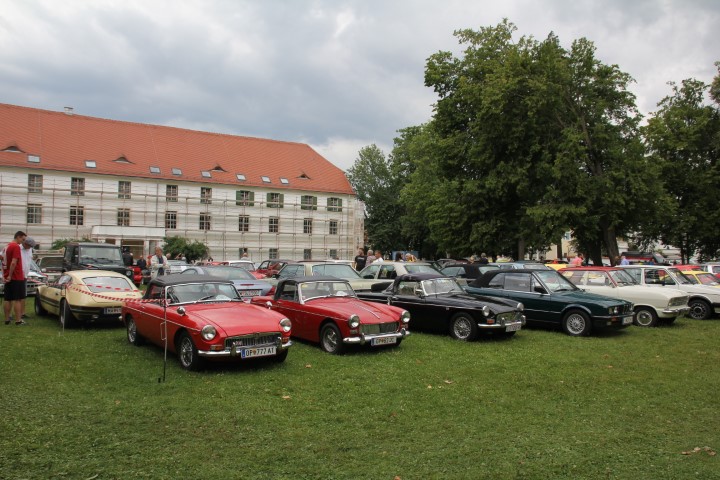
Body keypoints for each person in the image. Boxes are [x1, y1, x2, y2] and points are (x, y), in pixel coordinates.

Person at [3, 231, 27, 325]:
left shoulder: (6, 246)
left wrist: (4, 274)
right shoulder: (16, 246)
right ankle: (18, 320)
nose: (23, 241)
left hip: (8, 277)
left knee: (7, 299)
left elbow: (2, 261)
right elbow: (14, 262)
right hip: (16, 276)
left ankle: (7, 319)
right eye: (23, 239)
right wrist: (10, 274)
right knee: (17, 299)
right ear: (18, 237)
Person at [19, 236, 36, 320]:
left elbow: (28, 261)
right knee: (14, 296)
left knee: (23, 295)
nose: (30, 248)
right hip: (18, 275)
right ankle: (13, 314)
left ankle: (22, 313)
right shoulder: (18, 249)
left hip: (25, 275)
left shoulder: (29, 250)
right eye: (29, 246)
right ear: (25, 244)